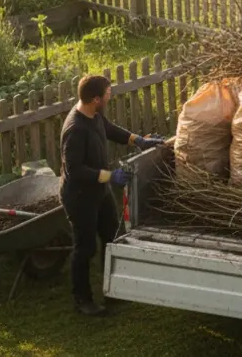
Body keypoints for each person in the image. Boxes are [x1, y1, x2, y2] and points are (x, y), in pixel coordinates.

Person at [60, 75, 165, 316]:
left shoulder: (93, 115)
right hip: (79, 197)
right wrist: (110, 176)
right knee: (85, 248)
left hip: (100, 192)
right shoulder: (75, 130)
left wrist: (137, 140)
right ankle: (82, 299)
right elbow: (74, 170)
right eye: (108, 93)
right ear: (96, 99)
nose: (110, 96)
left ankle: (112, 290)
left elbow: (108, 129)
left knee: (111, 237)